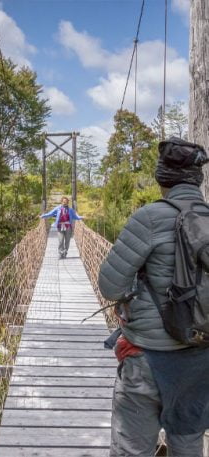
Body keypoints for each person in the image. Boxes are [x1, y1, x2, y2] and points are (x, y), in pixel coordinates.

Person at [98, 137, 209, 457]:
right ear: (197, 179)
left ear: (162, 178)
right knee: (188, 446)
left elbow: (109, 286)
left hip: (148, 357)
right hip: (200, 362)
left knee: (132, 450)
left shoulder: (149, 217)